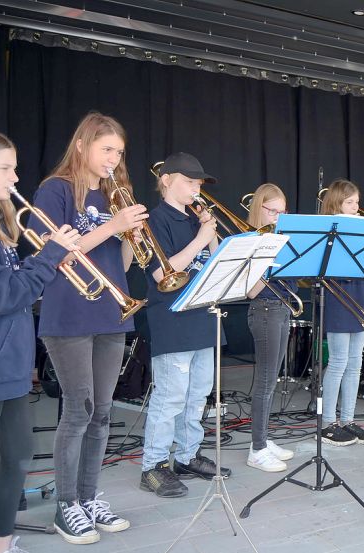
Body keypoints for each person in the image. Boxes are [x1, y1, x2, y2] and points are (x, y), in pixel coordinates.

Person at [29, 113, 145, 544]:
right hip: (69, 313)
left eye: (119, 151)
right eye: (106, 149)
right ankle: (66, 506)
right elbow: (53, 252)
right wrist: (113, 227)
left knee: (102, 412)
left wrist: (132, 238)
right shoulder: (55, 190)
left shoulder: (116, 195)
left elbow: (123, 262)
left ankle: (89, 496)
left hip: (111, 312)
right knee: (78, 410)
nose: (114, 159)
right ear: (82, 146)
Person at [0, 133, 80, 553]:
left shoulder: (3, 223)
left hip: (10, 365)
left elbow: (13, 285)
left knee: (15, 460)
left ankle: (3, 541)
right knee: (7, 462)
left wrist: (46, 257)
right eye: (5, 168)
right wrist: (49, 256)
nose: (15, 177)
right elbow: (5, 296)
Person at [140, 152, 229, 498]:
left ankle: (187, 455)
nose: (196, 189)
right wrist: (199, 237)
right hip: (173, 320)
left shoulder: (197, 220)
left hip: (204, 316)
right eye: (189, 182)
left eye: (198, 183)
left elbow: (217, 261)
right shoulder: (154, 220)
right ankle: (153, 465)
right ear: (166, 180)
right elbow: (163, 272)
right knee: (171, 398)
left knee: (197, 396)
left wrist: (209, 233)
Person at [316, 179, 364, 445]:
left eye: (357, 202)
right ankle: (328, 422)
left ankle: (348, 419)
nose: (356, 207)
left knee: (355, 364)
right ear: (336, 203)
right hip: (338, 293)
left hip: (359, 292)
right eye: (350, 202)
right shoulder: (328, 230)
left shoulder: (360, 229)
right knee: (339, 361)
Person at [243, 183, 297, 472]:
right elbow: (250, 291)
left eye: (281, 211)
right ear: (259, 209)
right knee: (264, 383)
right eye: (271, 210)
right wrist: (269, 260)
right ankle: (257, 449)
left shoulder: (281, 238)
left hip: (282, 308)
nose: (277, 216)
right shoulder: (251, 239)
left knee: (272, 380)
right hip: (263, 310)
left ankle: (262, 437)